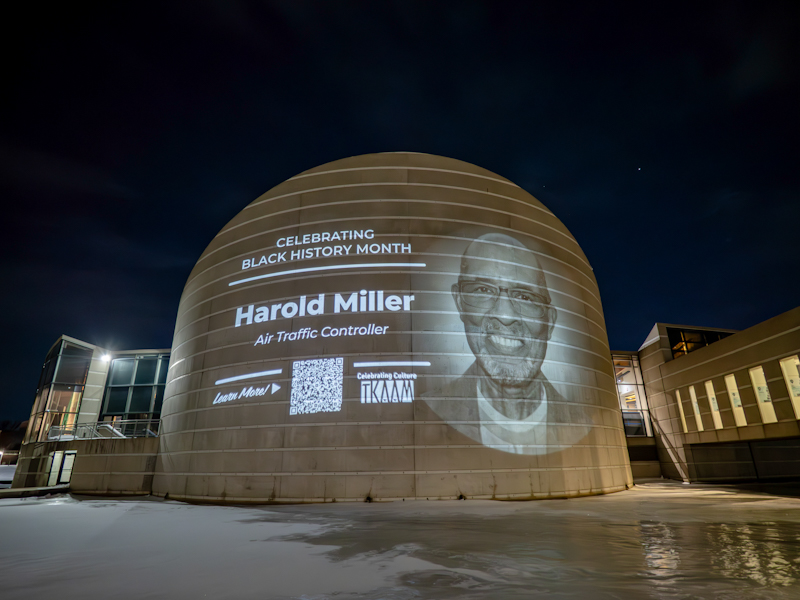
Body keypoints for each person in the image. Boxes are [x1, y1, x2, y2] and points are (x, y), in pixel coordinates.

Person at [425, 232, 568, 454]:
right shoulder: (427, 411)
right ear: (460, 303)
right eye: (483, 290)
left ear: (549, 321)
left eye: (524, 296)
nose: (505, 315)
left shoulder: (582, 423)